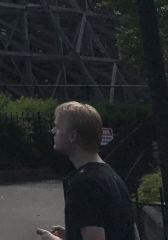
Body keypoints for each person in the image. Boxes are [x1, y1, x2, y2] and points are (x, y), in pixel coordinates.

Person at [37, 101, 135, 240]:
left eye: (57, 127)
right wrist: (73, 235)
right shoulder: (111, 176)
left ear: (72, 136)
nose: (53, 131)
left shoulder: (84, 184)